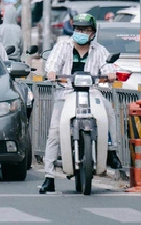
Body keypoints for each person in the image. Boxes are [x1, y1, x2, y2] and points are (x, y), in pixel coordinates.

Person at [37, 13, 122, 194]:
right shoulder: (62, 46)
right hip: (65, 92)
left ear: (93, 33)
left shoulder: (99, 50)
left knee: (107, 109)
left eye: (85, 29)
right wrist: (52, 72)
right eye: (78, 29)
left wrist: (110, 74)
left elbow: (108, 67)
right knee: (54, 132)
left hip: (91, 91)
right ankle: (49, 177)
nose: (80, 32)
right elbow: (51, 64)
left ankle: (111, 152)